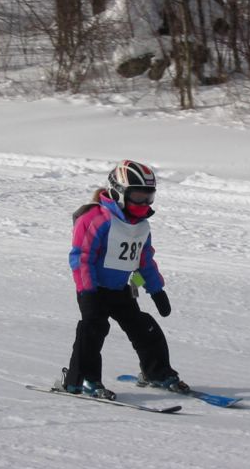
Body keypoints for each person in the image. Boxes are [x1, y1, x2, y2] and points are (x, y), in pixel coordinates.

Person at [60, 160, 189, 400]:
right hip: (94, 289)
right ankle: (81, 379)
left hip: (120, 290)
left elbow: (145, 260)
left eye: (149, 197)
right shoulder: (96, 219)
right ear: (119, 192)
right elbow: (82, 258)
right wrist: (87, 292)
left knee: (145, 327)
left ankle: (157, 373)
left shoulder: (141, 226)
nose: (144, 204)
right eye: (138, 197)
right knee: (93, 329)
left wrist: (156, 290)